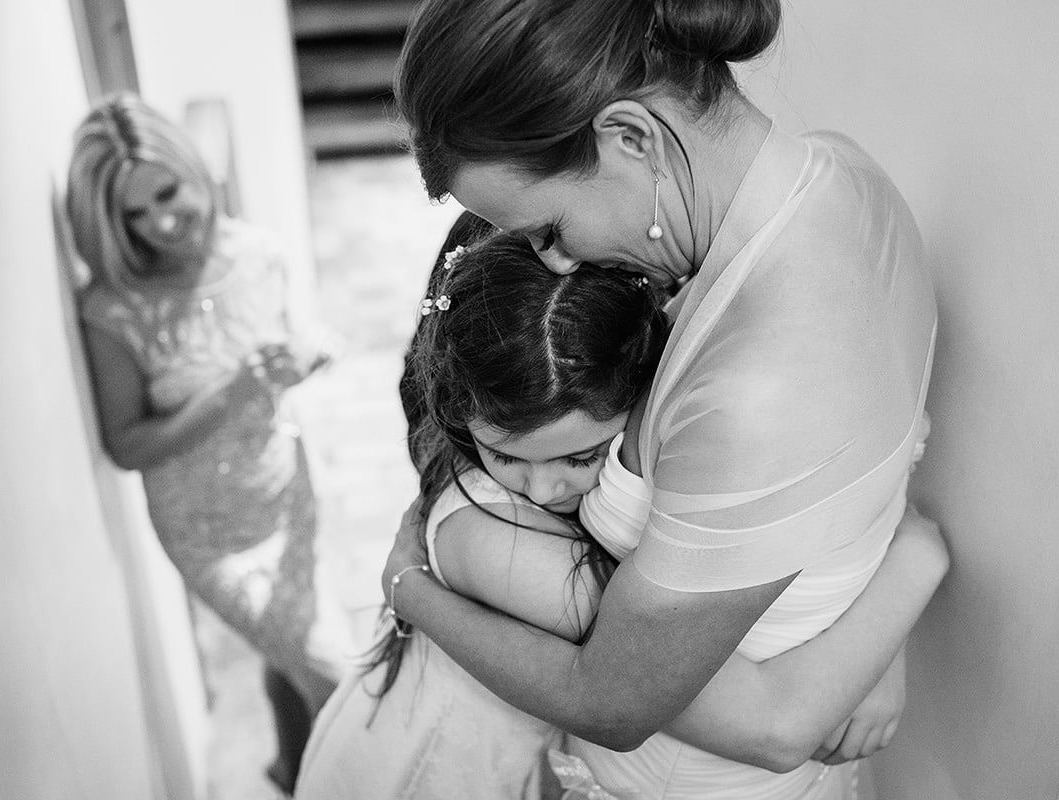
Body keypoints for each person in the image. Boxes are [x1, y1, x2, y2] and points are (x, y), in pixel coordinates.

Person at [381, 0, 940, 796]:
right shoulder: (845, 174)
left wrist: (408, 587)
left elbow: (613, 702)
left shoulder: (755, 387)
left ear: (631, 137)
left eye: (546, 228)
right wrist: (885, 627)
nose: (558, 264)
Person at [296, 234, 946, 799]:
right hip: (435, 768)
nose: (544, 487)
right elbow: (760, 716)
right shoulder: (495, 543)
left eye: (580, 457)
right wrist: (915, 565)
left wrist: (887, 665)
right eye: (502, 454)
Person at [67, 92, 349, 796]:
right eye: (135, 213)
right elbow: (127, 445)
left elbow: (280, 357)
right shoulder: (115, 310)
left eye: (167, 193)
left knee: (290, 657)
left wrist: (305, 356)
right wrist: (231, 391)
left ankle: (291, 772)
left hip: (288, 490)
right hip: (212, 535)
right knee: (343, 682)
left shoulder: (258, 254)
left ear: (194, 169)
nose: (160, 222)